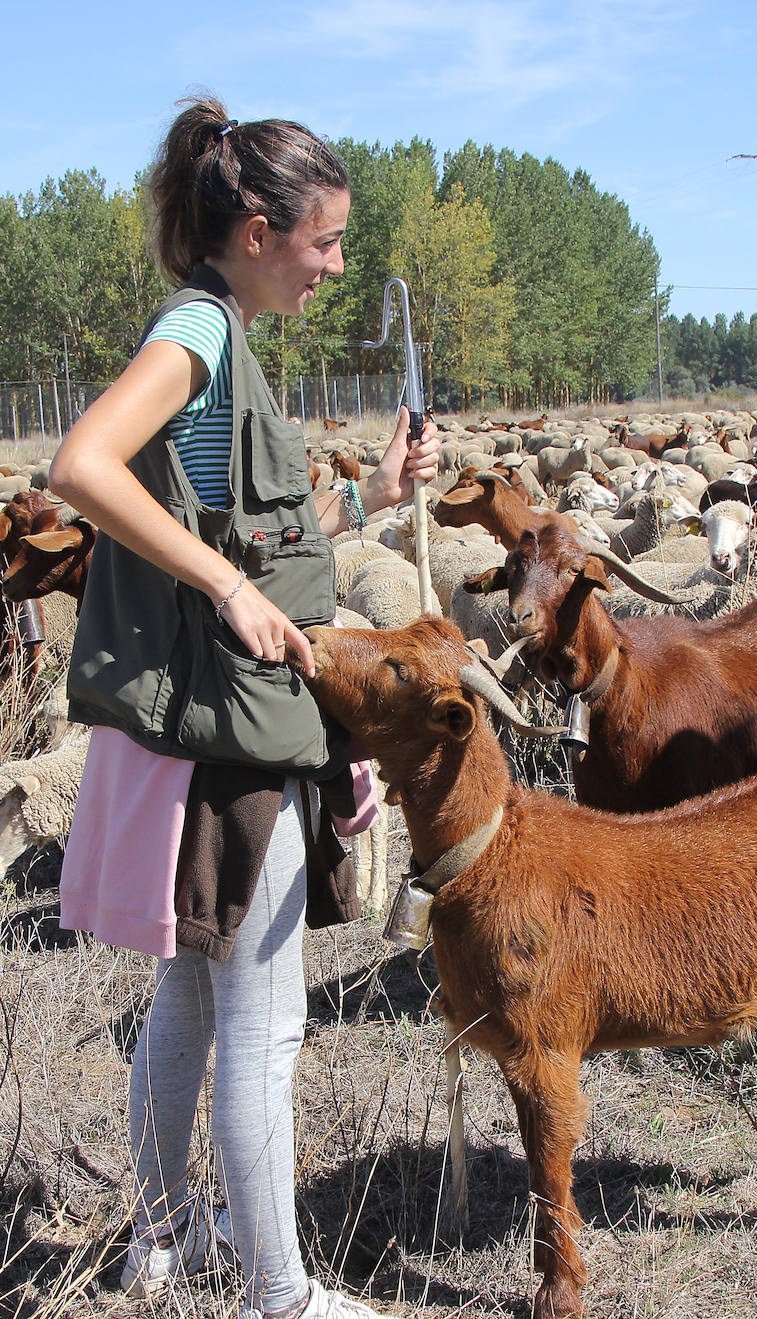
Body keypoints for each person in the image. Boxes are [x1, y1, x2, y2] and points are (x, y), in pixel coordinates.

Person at [52, 98, 439, 1319]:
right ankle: (281, 1289)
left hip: (216, 726)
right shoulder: (200, 334)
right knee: (265, 1026)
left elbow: (251, 545)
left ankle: (161, 1245)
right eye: (324, 244)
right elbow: (81, 464)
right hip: (235, 739)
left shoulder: (230, 347)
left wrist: (367, 498)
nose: (333, 267)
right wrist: (222, 583)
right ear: (261, 230)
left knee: (187, 995)